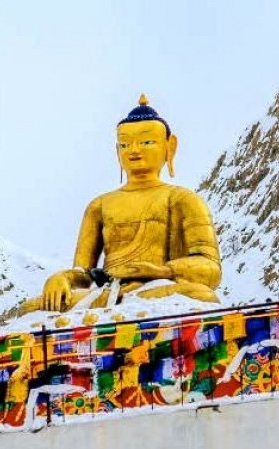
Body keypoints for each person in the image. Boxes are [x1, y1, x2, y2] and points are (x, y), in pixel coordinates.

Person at [24, 95, 222, 313]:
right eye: (125, 144)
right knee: (31, 307)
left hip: (157, 288)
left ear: (170, 146)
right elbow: (85, 274)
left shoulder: (183, 199)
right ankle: (121, 307)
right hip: (108, 293)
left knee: (199, 294)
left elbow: (210, 269)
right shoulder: (99, 205)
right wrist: (62, 278)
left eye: (146, 142)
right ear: (117, 151)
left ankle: (127, 306)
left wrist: (160, 271)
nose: (134, 150)